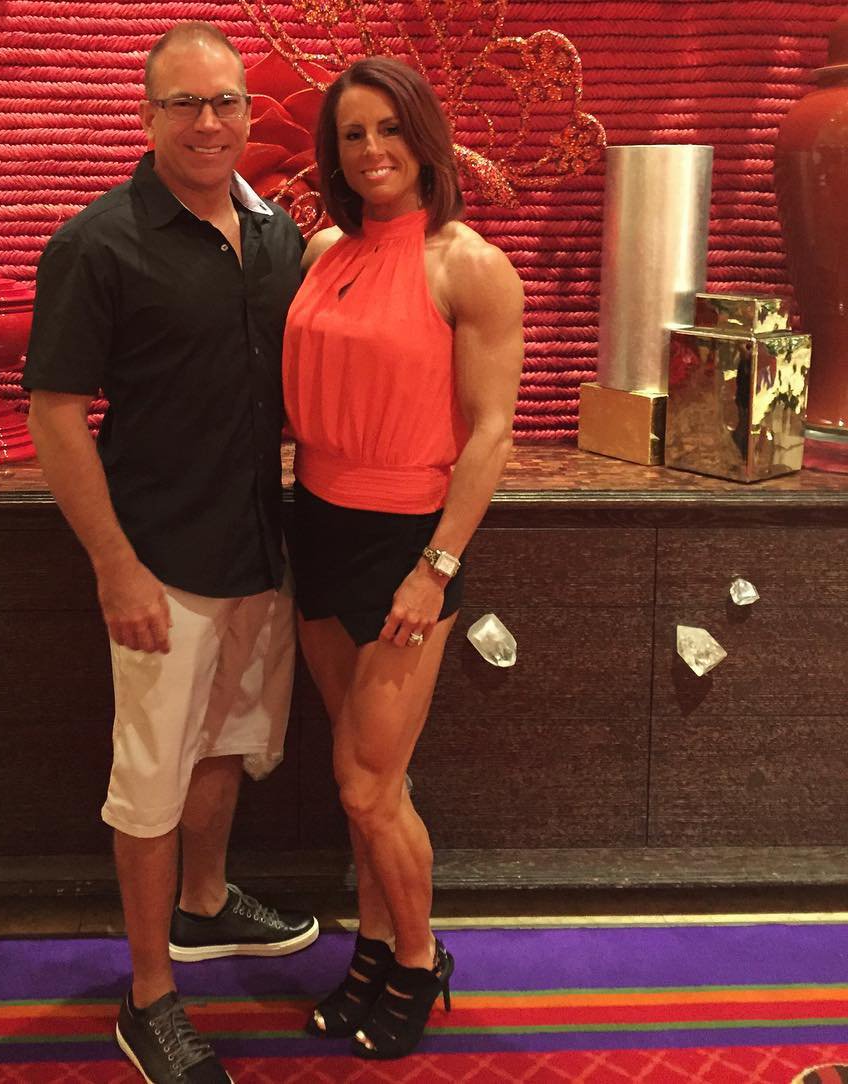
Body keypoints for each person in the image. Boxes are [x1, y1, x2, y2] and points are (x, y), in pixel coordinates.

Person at [23, 22, 318, 1084]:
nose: (208, 121)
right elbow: (56, 414)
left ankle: (204, 900)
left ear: (248, 111)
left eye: (225, 100)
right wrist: (116, 566)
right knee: (150, 780)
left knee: (227, 741)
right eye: (184, 103)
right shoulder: (98, 244)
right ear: (148, 116)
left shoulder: (277, 235)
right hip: (159, 560)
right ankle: (149, 996)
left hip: (258, 547)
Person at [282, 56, 525, 1059]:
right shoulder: (321, 249)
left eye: (389, 128)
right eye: (353, 133)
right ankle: (375, 946)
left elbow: (491, 433)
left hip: (406, 544)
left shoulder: (470, 265)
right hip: (317, 523)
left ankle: (421, 960)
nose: (372, 148)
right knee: (364, 772)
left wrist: (435, 568)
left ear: (426, 138)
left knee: (365, 784)